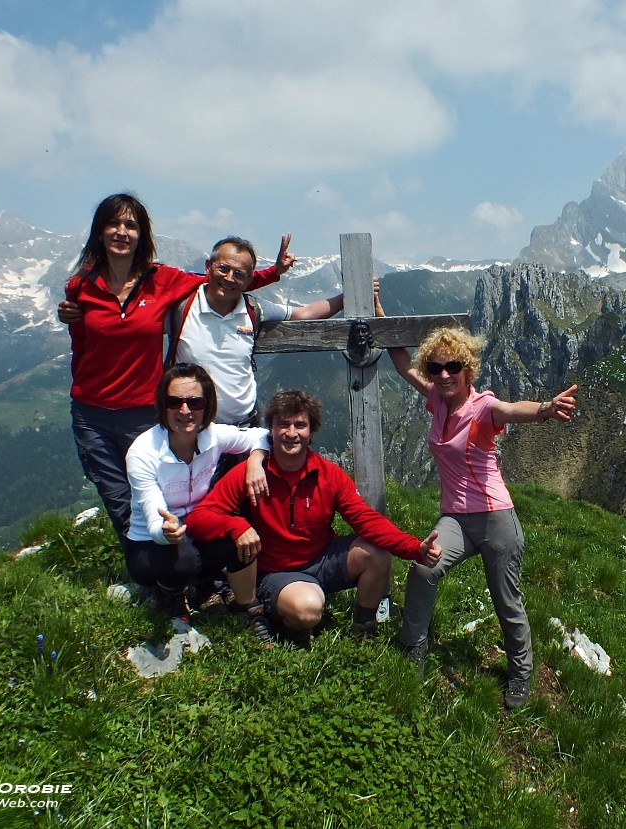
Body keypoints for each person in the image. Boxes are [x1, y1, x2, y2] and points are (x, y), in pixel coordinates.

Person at [376, 291, 577, 710]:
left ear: (468, 369)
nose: (445, 374)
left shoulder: (482, 406)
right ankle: (413, 648)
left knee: (506, 599)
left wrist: (544, 408)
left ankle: (520, 672)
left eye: (454, 366)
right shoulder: (435, 399)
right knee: (422, 568)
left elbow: (510, 409)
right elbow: (399, 362)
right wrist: (379, 310)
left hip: (495, 519)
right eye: (437, 367)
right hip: (455, 519)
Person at [61, 193, 294, 547]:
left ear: (142, 235)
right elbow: (81, 343)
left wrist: (272, 274)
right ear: (99, 231)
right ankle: (149, 570)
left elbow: (223, 282)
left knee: (155, 492)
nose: (121, 232)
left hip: (142, 408)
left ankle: (174, 568)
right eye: (114, 223)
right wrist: (68, 314)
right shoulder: (80, 286)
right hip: (91, 412)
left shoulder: (163, 280)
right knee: (116, 496)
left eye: (131, 225)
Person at [186, 390, 442, 647]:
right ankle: (278, 616)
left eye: (300, 425)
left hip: (322, 558)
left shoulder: (328, 474)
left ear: (311, 431)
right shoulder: (251, 474)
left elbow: (366, 520)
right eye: (283, 424)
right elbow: (199, 518)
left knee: (376, 553)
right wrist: (235, 525)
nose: (291, 433)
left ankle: (363, 626)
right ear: (271, 430)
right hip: (277, 571)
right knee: (307, 610)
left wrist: (414, 548)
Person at [166, 236, 345, 481]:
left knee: (246, 504)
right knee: (196, 506)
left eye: (239, 274)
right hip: (192, 430)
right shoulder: (181, 306)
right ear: (208, 267)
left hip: (243, 432)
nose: (229, 278)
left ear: (250, 279)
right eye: (223, 268)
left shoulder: (253, 309)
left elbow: (304, 314)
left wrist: (348, 297)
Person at [124, 363, 272, 618]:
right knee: (186, 560)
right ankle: (167, 594)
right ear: (163, 405)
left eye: (195, 402)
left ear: (207, 406)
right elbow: (152, 518)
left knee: (242, 539)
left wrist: (256, 461)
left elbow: (261, 435)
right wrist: (165, 531)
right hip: (150, 543)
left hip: (196, 526)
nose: (185, 410)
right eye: (174, 402)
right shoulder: (143, 452)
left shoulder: (213, 436)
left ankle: (245, 608)